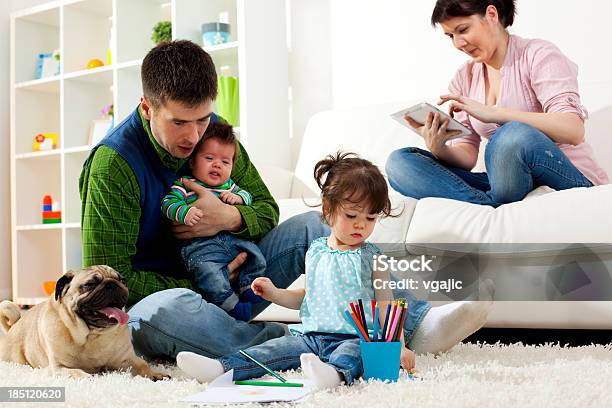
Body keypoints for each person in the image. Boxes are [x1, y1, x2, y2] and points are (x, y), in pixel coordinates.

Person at [79, 39, 491, 361]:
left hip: (240, 273)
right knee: (170, 310)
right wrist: (203, 283)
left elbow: (265, 208)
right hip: (177, 297)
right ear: (147, 108)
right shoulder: (114, 164)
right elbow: (109, 276)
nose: (193, 135)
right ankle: (287, 345)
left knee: (318, 227)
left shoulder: (213, 135)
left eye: (202, 118)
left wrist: (229, 220)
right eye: (179, 122)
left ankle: (415, 325)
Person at [176, 152, 416, 389]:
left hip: (356, 338)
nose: (361, 225)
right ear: (328, 208)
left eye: (371, 218)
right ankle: (221, 368)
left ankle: (333, 375)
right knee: (272, 350)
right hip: (310, 338)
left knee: (354, 355)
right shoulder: (315, 251)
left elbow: (388, 307)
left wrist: (400, 347)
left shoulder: (374, 258)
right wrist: (275, 294)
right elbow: (307, 297)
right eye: (352, 215)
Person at [386, 0, 608, 207]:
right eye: (450, 35)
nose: (458, 43)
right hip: (507, 185)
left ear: (491, 14)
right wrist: (439, 147)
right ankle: (487, 205)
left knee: (512, 135)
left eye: (463, 30)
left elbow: (573, 130)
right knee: (400, 163)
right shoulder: (465, 77)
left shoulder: (538, 54)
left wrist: (498, 114)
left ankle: (486, 206)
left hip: (567, 176)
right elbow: (467, 156)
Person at [161, 122, 265, 321]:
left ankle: (248, 284)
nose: (217, 164)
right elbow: (167, 203)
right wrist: (183, 211)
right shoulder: (185, 184)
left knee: (256, 255)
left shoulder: (229, 186)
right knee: (210, 275)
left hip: (232, 241)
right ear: (192, 162)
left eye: (225, 162)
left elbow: (249, 196)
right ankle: (230, 304)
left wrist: (239, 200)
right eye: (209, 158)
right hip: (201, 248)